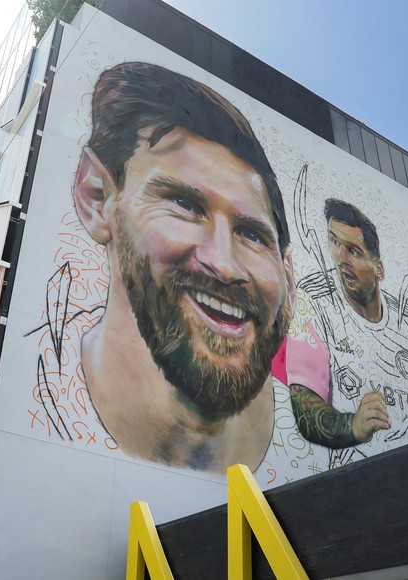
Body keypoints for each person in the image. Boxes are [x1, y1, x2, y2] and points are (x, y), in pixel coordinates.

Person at [72, 61, 308, 472]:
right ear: (97, 199)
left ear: (287, 274)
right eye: (185, 205)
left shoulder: (308, 440)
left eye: (252, 234)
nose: (224, 264)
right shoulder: (37, 400)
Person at [292, 198, 408, 464]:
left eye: (354, 251)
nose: (341, 258)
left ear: (379, 269)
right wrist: (353, 426)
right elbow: (304, 406)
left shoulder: (407, 321)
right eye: (335, 242)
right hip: (358, 483)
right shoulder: (315, 304)